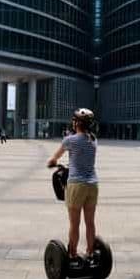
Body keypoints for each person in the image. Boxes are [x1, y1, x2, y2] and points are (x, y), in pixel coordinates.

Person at [47, 108, 98, 266]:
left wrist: (53, 162)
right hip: (93, 184)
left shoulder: (70, 140)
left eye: (74, 121)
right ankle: (90, 253)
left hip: (76, 184)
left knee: (74, 223)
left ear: (77, 123)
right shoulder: (93, 140)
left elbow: (54, 158)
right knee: (90, 222)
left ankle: (73, 255)